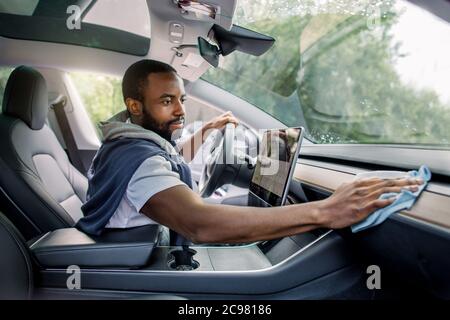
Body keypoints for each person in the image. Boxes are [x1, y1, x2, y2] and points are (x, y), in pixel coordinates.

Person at [76, 59, 422, 244]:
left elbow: (170, 157)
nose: (180, 110)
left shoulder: (129, 141)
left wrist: (209, 129)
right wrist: (325, 211)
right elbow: (200, 224)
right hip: (141, 256)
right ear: (134, 106)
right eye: (167, 101)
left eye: (181, 98)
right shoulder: (138, 161)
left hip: (151, 241)